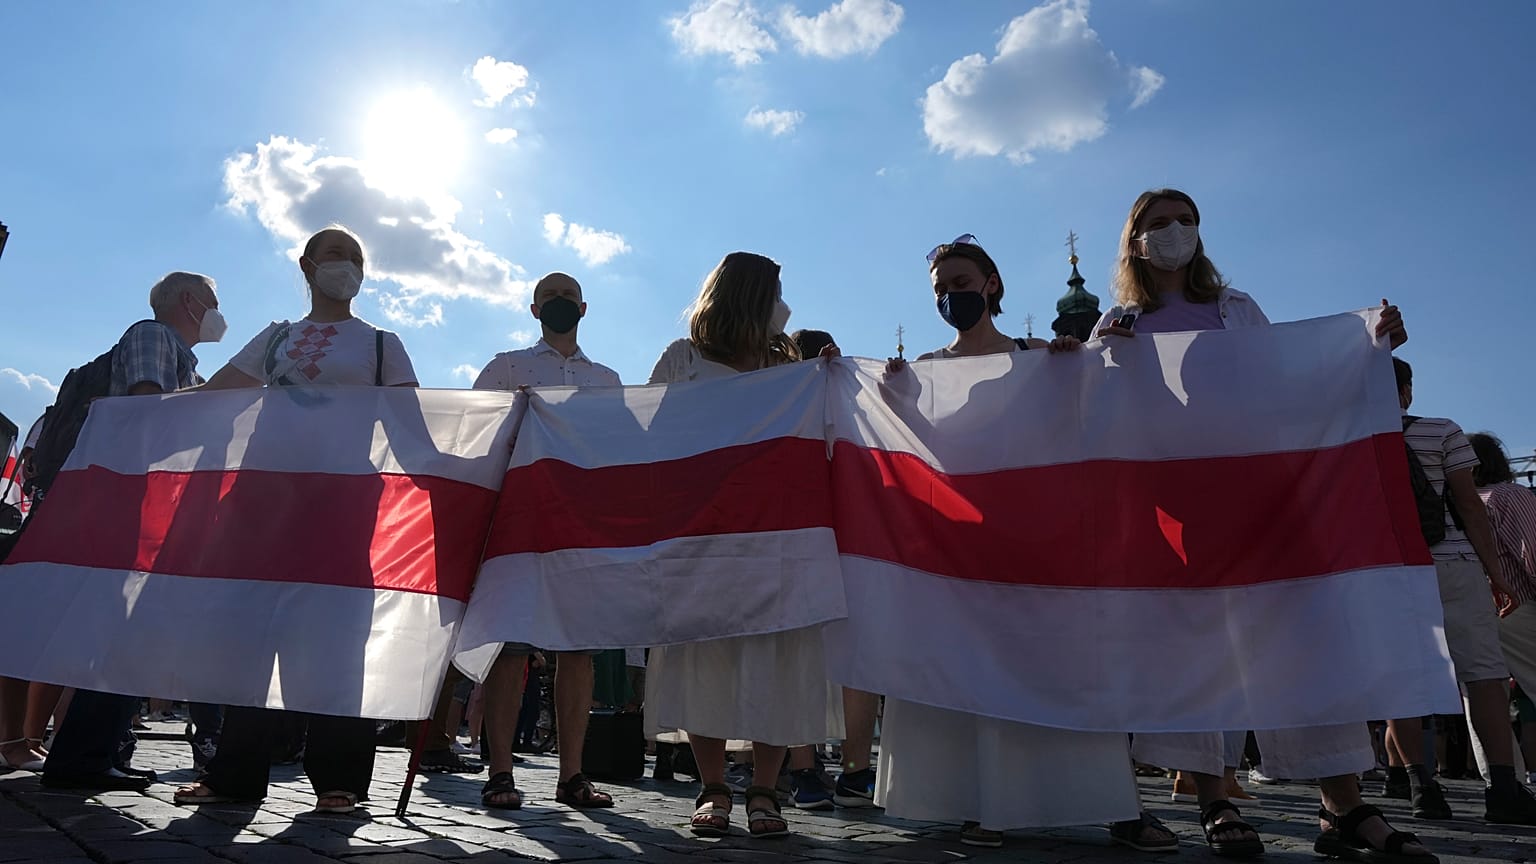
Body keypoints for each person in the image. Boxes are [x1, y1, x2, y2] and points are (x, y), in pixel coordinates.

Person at [1095, 189, 1434, 861]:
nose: (1174, 231)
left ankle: (1343, 806)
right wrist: (1106, 358)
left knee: (1305, 640)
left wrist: (1365, 345)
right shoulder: (1123, 320)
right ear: (1135, 241)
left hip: (1264, 499)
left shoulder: (1236, 309)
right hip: (1185, 507)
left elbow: (1287, 381)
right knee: (1206, 647)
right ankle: (1215, 797)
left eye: (1184, 219)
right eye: (1157, 223)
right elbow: (1110, 419)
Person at [878, 235, 1163, 850]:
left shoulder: (1040, 355)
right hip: (963, 552)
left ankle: (1113, 802)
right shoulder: (927, 370)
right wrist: (887, 396)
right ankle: (985, 801)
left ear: (992, 285)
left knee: (1066, 667)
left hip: (1041, 546)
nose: (950, 296)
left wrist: (1077, 366)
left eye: (960, 284)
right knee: (973, 676)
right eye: (940, 290)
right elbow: (918, 449)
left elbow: (1091, 425)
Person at [173, 225, 417, 815]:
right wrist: (137, 417)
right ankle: (235, 771)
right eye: (335, 255)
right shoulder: (277, 337)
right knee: (248, 632)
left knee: (335, 637)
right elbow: (218, 394)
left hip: (341, 505)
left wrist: (478, 464)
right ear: (307, 266)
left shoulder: (381, 345)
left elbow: (411, 433)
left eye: (355, 258)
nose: (346, 266)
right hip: (264, 500)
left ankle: (340, 778)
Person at [645, 251, 833, 840]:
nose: (785, 304)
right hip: (704, 537)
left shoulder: (792, 364)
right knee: (706, 656)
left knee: (776, 660)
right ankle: (714, 786)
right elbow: (648, 437)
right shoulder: (684, 359)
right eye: (777, 291)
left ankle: (765, 790)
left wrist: (833, 379)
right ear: (752, 295)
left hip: (777, 539)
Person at [38, 271, 225, 790]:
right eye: (212, 302)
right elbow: (150, 415)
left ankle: (94, 752)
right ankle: (82, 758)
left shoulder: (180, 355)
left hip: (145, 510)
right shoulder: (152, 336)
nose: (217, 313)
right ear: (189, 302)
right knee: (122, 631)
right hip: (131, 508)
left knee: (130, 631)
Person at [470, 271, 621, 811]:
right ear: (534, 309)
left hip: (579, 525)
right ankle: (501, 769)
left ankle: (573, 774)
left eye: (567, 296)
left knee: (577, 651)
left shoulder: (606, 379)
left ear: (584, 308)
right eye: (549, 297)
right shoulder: (507, 367)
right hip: (518, 518)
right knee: (511, 650)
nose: (559, 303)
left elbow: (617, 452)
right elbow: (473, 433)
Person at [1384, 367, 1535, 826]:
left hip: (1389, 568)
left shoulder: (1352, 437)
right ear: (1407, 391)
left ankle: (1419, 788)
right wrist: (1495, 573)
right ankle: (1504, 790)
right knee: (1483, 676)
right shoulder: (1442, 430)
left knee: (1404, 681)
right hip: (1452, 563)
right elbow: (1469, 504)